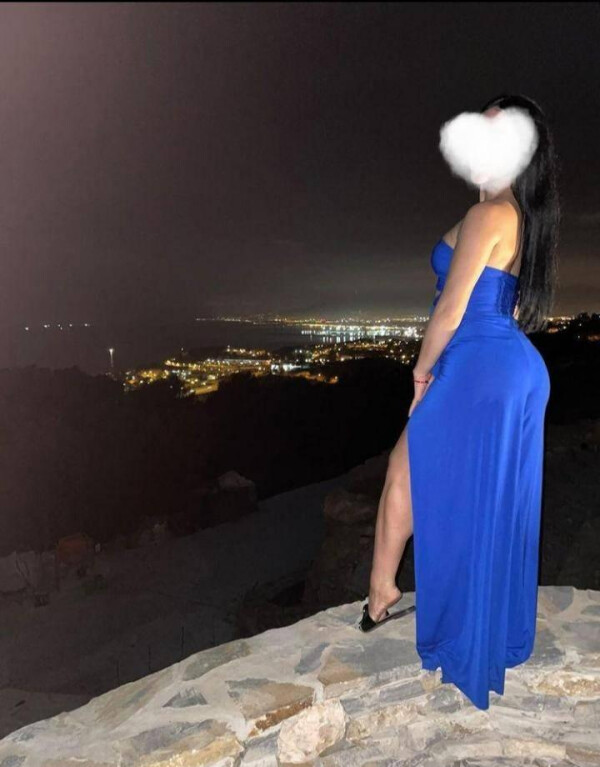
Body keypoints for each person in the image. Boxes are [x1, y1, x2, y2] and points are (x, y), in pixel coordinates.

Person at [358, 93, 560, 711]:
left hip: (476, 363)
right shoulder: (517, 216)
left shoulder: (488, 214)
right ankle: (388, 592)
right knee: (478, 495)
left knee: (406, 466)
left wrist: (421, 374)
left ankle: (383, 593)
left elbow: (450, 310)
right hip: (501, 365)